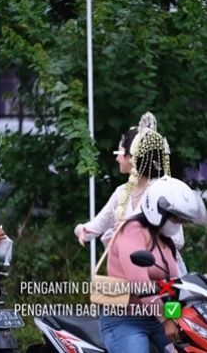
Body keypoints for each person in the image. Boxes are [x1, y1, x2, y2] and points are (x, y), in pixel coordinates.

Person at [99, 176, 207, 352]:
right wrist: (166, 319)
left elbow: (172, 288)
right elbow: (139, 283)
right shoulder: (132, 231)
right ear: (159, 210)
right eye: (176, 218)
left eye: (182, 220)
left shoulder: (166, 242)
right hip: (125, 320)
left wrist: (173, 317)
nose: (179, 223)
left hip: (156, 319)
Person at [74, 112, 187, 275]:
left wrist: (137, 234)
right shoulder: (122, 192)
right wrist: (82, 230)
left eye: (119, 153)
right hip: (127, 276)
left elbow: (178, 240)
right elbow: (97, 225)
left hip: (162, 275)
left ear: (132, 157)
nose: (117, 159)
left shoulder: (162, 192)